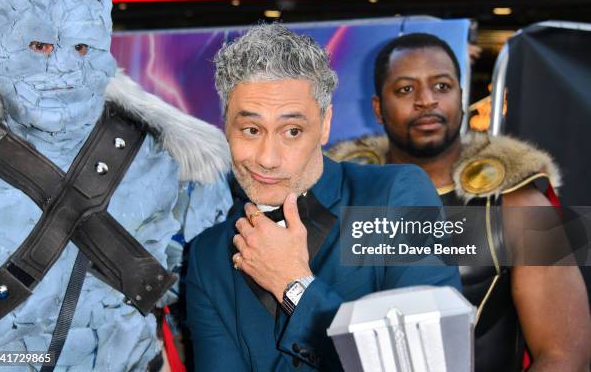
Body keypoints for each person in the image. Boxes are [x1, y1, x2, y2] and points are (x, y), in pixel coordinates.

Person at [0, 0, 231, 371]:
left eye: (82, 47)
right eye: (41, 45)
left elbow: (213, 303)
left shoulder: (173, 160)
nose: (63, 66)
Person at [185, 24, 461, 371]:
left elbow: (427, 363)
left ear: (325, 123)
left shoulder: (397, 195)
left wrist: (294, 284)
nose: (267, 158)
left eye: (292, 131)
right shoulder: (207, 254)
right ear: (226, 125)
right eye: (251, 130)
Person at [327, 32, 591, 371]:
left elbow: (568, 356)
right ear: (378, 108)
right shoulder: (335, 200)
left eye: (441, 86)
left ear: (462, 98)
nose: (427, 100)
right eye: (406, 89)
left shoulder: (527, 206)